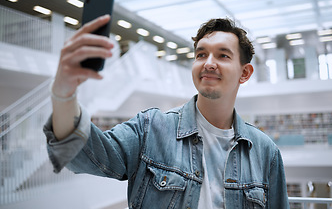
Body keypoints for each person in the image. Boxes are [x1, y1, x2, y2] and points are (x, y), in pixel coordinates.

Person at [43, 15, 290, 208]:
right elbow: (84, 155)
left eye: (223, 55)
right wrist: (63, 93)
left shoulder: (265, 152)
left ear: (244, 73)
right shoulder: (151, 128)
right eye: (201, 54)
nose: (208, 63)